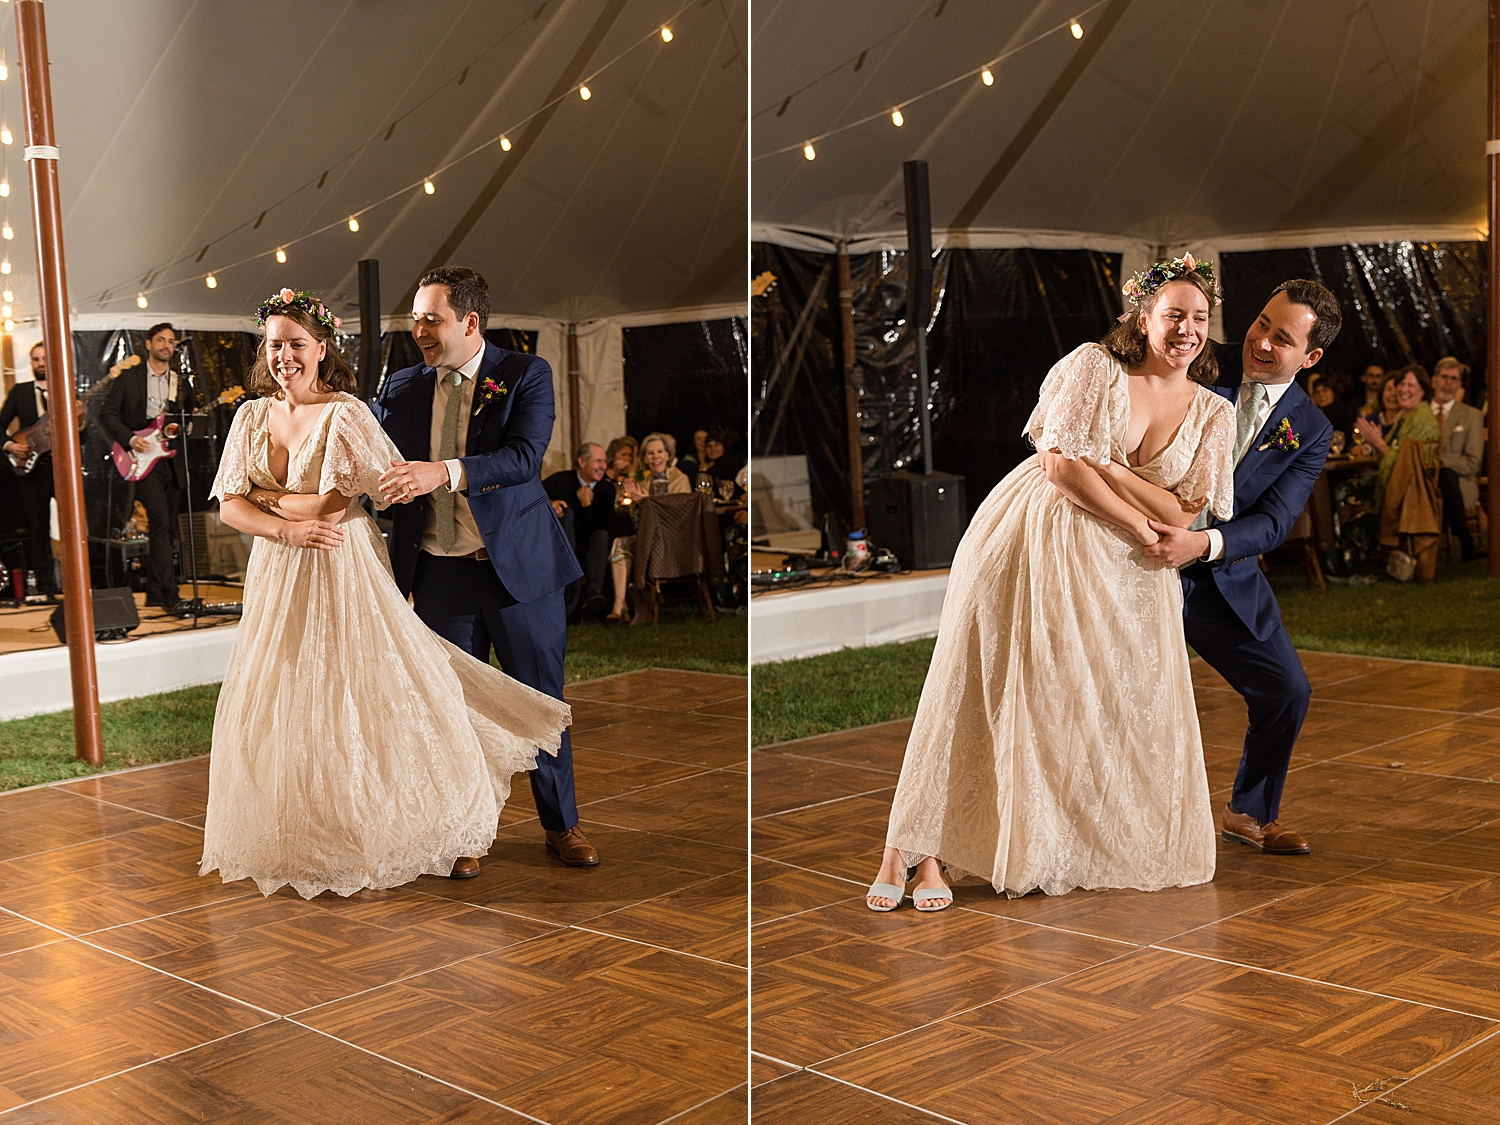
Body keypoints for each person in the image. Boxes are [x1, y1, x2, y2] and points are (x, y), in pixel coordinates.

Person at [868, 256, 1235, 910]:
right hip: (1041, 539)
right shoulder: (1094, 366)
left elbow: (1185, 511)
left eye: (1199, 317)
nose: (1188, 329)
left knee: (1105, 708)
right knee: (1005, 687)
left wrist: (1115, 472)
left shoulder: (1213, 413)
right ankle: (918, 846)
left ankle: (1057, 841)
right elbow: (1062, 469)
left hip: (1130, 572)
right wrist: (1139, 514)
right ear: (1142, 317)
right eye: (1174, 314)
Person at [201, 290, 569, 898]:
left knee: (401, 695)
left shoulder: (354, 412)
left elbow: (333, 502)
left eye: (297, 344)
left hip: (380, 568)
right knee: (299, 697)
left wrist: (264, 502)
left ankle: (550, 826)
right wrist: (282, 522)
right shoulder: (258, 415)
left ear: (322, 348)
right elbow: (229, 505)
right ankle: (361, 833)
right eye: (275, 345)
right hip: (300, 571)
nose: (285, 356)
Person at [372, 267, 597, 869]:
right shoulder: (400, 388)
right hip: (440, 573)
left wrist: (441, 471)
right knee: (455, 713)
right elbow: (375, 464)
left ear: (470, 322)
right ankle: (466, 835)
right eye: (415, 317)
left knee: (538, 704)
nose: (418, 330)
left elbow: (524, 458)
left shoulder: (526, 374)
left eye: (431, 318)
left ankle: (562, 826)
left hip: (517, 572)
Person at [1147, 279, 1340, 856]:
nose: (1260, 343)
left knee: (1287, 689)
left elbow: (1276, 522)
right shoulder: (1201, 362)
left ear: (1310, 358)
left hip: (1215, 576)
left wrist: (1203, 544)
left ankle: (1249, 812)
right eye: (1260, 323)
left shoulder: (1310, 429)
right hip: (1135, 552)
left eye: (1281, 339)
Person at [99, 323, 194, 610]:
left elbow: (186, 418)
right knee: (160, 522)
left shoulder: (180, 382)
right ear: (148, 344)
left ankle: (154, 591)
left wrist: (191, 421)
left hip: (171, 460)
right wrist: (130, 439)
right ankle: (169, 593)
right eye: (161, 340)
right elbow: (107, 414)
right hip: (142, 458)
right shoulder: (129, 378)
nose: (167, 345)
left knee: (166, 528)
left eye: (171, 341)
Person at [607, 431, 691, 621]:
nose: (656, 457)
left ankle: (640, 598)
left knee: (640, 546)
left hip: (673, 539)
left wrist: (648, 502)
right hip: (646, 537)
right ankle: (620, 604)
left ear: (668, 455)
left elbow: (679, 518)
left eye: (660, 452)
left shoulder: (679, 479)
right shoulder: (642, 481)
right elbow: (638, 522)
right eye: (650, 453)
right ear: (644, 458)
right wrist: (635, 504)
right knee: (620, 544)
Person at [0, 344, 59, 592]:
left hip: (61, 467)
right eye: (36, 360)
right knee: (38, 528)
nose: (41, 363)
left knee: (75, 524)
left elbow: (83, 433)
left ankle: (81, 581)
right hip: (31, 469)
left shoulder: (64, 391)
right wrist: (10, 445)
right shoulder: (21, 392)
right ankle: (47, 588)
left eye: (45, 358)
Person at [545, 441, 614, 618]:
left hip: (589, 548)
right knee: (566, 515)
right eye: (598, 461)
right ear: (582, 462)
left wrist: (587, 506)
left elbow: (603, 525)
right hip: (561, 546)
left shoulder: (606, 489)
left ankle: (593, 595)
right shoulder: (560, 481)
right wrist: (550, 503)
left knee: (601, 535)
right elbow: (535, 497)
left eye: (605, 462)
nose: (603, 466)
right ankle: (568, 602)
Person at [1356, 364, 1439, 508]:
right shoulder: (1403, 417)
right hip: (1394, 491)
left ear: (1423, 390)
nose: (1403, 390)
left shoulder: (1423, 419)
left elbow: (1409, 466)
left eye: (1410, 385)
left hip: (1411, 500)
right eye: (1401, 384)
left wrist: (1379, 443)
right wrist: (1374, 444)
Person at [1430, 357, 1486, 562]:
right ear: (1434, 380)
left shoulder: (1472, 416)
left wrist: (1441, 465)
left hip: (1461, 484)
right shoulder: (1419, 413)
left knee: (1446, 475)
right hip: (1424, 482)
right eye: (1444, 377)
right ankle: (1467, 544)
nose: (1448, 383)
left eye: (1454, 379)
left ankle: (1466, 542)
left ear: (1460, 384)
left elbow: (1473, 461)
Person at [1308, 372, 1355, 445]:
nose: (1321, 395)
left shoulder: (1341, 412)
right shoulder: (1313, 412)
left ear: (1333, 392)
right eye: (1317, 392)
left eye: (1325, 390)